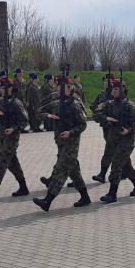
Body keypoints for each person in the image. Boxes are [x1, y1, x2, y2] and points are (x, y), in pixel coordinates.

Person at [32, 75, 91, 212]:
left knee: (61, 170)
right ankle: (85, 197)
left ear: (70, 89)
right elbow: (38, 111)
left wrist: (71, 132)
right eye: (58, 86)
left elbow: (83, 125)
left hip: (71, 144)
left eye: (62, 86)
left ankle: (47, 201)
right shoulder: (58, 103)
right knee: (74, 171)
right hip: (60, 143)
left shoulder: (75, 105)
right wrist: (48, 116)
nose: (59, 88)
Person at [0, 77, 30, 199]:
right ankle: (23, 187)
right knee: (12, 163)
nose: (1, 90)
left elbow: (25, 121)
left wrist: (14, 128)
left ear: (11, 88)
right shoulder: (0, 101)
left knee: (1, 161)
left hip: (12, 138)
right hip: (2, 137)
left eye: (3, 88)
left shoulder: (17, 103)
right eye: (0, 88)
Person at [97, 78, 135, 203]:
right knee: (126, 166)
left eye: (116, 89)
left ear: (123, 91)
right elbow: (96, 114)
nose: (113, 91)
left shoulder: (129, 106)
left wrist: (128, 130)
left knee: (116, 165)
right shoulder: (109, 104)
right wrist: (106, 118)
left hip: (126, 141)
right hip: (113, 139)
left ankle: (112, 194)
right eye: (113, 88)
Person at [90, 73, 115, 182]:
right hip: (105, 126)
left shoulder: (117, 94)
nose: (106, 83)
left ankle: (102, 174)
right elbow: (92, 107)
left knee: (110, 149)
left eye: (108, 81)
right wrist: (99, 106)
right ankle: (126, 171)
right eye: (104, 81)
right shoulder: (101, 95)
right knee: (115, 150)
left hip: (115, 127)